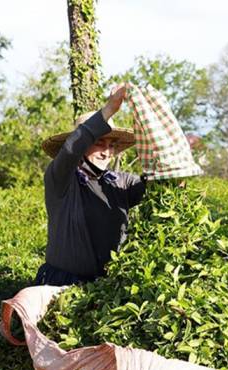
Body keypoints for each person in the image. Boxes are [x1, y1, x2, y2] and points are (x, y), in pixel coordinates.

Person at [35, 85, 147, 286]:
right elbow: (71, 150)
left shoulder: (119, 182)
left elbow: (154, 185)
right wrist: (109, 109)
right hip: (62, 284)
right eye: (98, 143)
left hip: (107, 286)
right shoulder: (60, 180)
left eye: (111, 145)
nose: (106, 152)